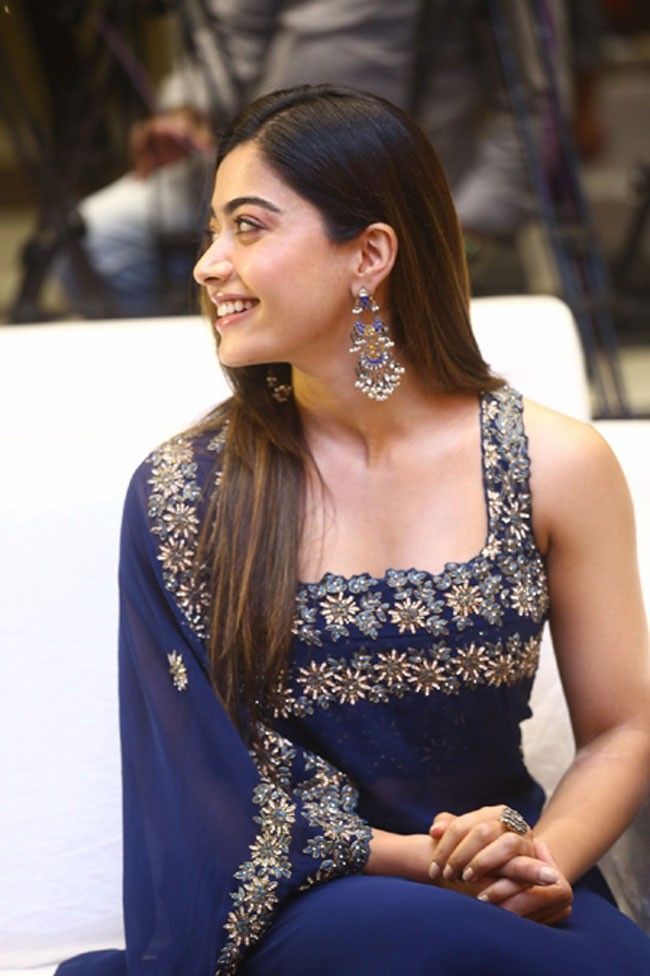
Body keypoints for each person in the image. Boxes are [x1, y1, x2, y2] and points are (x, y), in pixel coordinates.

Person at [55, 85, 650, 975]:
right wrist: (428, 864)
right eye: (213, 231)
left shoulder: (555, 466)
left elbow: (622, 728)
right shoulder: (187, 494)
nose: (209, 264)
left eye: (248, 227)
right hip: (307, 906)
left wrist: (539, 862)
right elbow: (204, 787)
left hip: (510, 888)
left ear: (369, 253)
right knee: (405, 940)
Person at [58, 0, 566, 317]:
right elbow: (234, 36)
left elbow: (534, 99)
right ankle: (233, 388)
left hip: (398, 186)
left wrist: (467, 221)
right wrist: (189, 107)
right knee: (95, 239)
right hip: (253, 163)